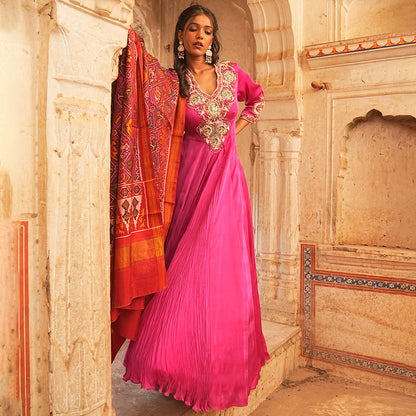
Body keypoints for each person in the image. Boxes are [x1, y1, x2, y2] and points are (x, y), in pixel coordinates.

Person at [122, 4, 270, 411]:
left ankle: (216, 367)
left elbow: (257, 100)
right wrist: (129, 39)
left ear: (213, 37)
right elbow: (141, 91)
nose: (200, 36)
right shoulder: (172, 84)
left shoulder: (231, 74)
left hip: (226, 181)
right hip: (186, 181)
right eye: (193, 29)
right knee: (182, 268)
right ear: (181, 36)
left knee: (217, 267)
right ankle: (176, 366)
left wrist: (232, 132)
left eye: (207, 30)